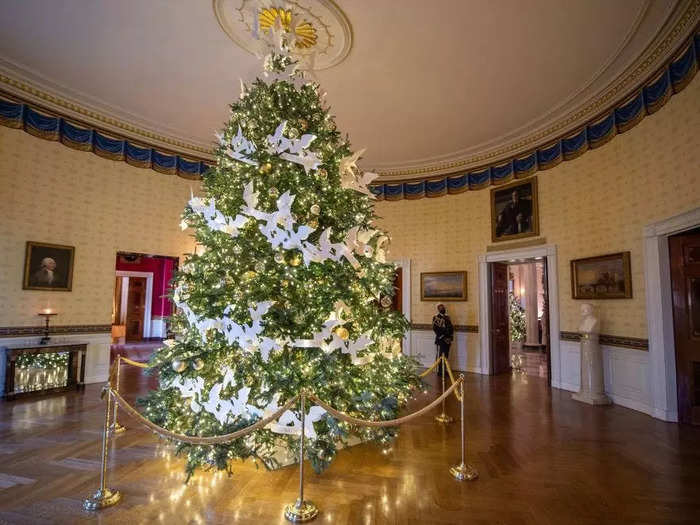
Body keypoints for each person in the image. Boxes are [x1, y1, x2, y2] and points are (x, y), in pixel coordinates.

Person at [432, 303, 454, 376]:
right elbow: (436, 329)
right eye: (441, 308)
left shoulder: (447, 317)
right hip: (441, 340)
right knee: (441, 356)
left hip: (448, 340)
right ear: (438, 309)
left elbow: (451, 328)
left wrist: (450, 337)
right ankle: (440, 371)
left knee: (446, 356)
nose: (443, 309)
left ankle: (444, 370)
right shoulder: (436, 317)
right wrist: (444, 338)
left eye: (443, 308)